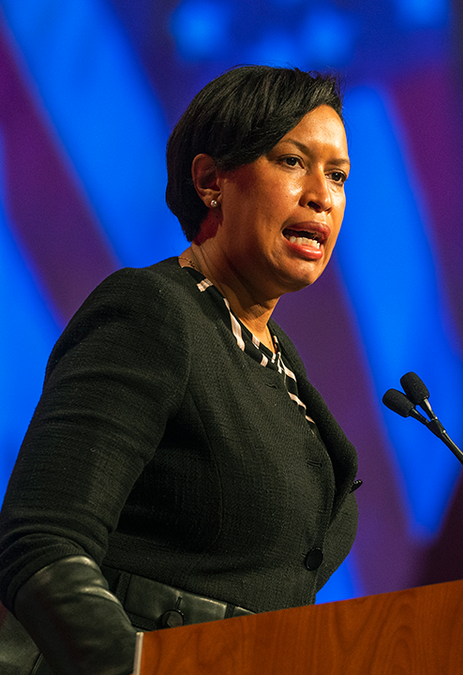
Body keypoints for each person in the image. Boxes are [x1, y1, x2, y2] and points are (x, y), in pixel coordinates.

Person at [0, 66, 359, 675]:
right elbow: (42, 542)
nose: (322, 196)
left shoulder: (278, 362)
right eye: (294, 162)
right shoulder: (154, 313)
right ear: (211, 180)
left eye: (337, 175)